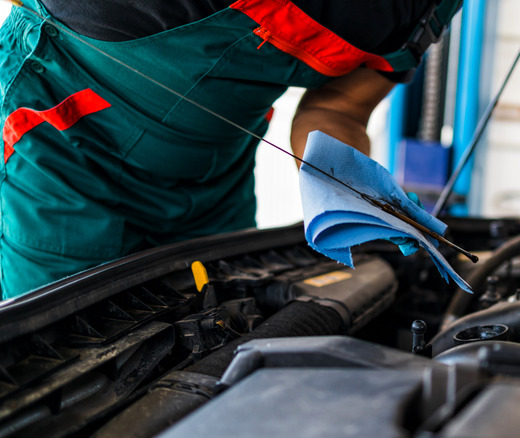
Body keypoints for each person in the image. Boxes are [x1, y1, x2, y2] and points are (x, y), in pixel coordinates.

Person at [0, 0, 461, 299]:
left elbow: (340, 109)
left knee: (223, 334)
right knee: (65, 359)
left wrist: (347, 182)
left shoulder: (420, 6)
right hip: (64, 145)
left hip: (215, 179)